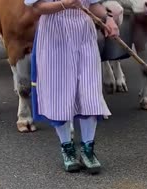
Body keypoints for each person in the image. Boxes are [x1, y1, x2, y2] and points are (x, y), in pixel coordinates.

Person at [26, 0, 119, 173]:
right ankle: (67, 148)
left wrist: (108, 19)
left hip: (84, 35)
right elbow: (37, 7)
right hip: (54, 36)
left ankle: (88, 150)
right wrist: (66, 4)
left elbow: (92, 4)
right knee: (59, 92)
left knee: (89, 91)